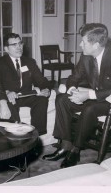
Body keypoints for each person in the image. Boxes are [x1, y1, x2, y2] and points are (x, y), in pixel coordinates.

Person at [43, 23, 111, 168]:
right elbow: (74, 77)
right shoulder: (86, 56)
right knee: (62, 99)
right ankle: (66, 145)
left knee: (90, 108)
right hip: (94, 95)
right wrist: (73, 89)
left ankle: (76, 149)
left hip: (108, 99)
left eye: (84, 42)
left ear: (96, 44)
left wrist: (89, 95)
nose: (80, 45)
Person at [0, 33, 51, 135]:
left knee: (42, 100)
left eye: (20, 43)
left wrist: (45, 89)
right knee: (10, 105)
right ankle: (17, 136)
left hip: (26, 95)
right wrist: (7, 92)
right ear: (6, 49)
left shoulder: (30, 62)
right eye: (14, 45)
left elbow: (41, 81)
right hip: (9, 97)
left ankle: (36, 135)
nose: (19, 47)